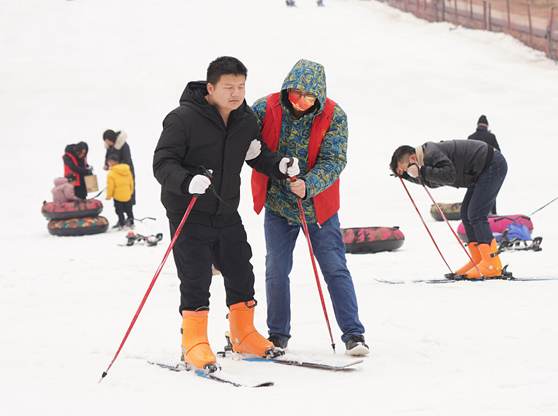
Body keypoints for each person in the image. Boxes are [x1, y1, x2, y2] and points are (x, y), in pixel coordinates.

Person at [153, 56, 298, 371]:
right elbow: (163, 162)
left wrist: (280, 166)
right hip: (189, 212)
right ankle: (193, 342)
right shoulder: (182, 119)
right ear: (210, 87)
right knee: (196, 277)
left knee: (241, 271)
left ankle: (243, 335)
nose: (236, 93)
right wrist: (187, 181)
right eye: (229, 87)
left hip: (226, 210)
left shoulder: (245, 119)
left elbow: (256, 154)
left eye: (241, 86)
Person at [250, 59, 369, 356]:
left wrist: (309, 184)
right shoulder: (265, 108)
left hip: (318, 208)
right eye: (296, 94)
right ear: (287, 88)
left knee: (334, 267)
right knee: (276, 269)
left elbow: (334, 160)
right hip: (278, 203)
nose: (301, 102)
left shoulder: (334, 116)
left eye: (309, 96)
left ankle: (353, 334)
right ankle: (277, 335)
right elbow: (245, 140)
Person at [390, 139, 508, 279]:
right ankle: (479, 260)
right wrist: (406, 176)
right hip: (481, 170)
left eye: (407, 169)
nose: (408, 172)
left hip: (492, 164)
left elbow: (449, 175)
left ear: (413, 158)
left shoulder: (431, 153)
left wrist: (421, 170)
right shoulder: (425, 159)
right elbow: (434, 181)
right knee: (466, 214)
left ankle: (491, 263)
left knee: (476, 214)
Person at [468, 115, 500, 214]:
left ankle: (473, 212)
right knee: (490, 192)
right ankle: (492, 213)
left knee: (474, 192)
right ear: (487, 126)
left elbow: (467, 155)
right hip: (488, 168)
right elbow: (498, 153)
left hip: (475, 171)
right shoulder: (491, 137)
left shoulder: (471, 137)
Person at [103, 129, 136, 205]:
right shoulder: (109, 147)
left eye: (108, 141)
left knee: (127, 189)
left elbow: (126, 159)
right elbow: (107, 157)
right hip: (115, 172)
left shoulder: (124, 145)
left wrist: (115, 167)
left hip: (126, 171)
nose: (107, 143)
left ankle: (129, 209)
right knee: (118, 190)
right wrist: (106, 165)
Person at [106, 154, 134, 230]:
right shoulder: (127, 170)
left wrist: (108, 196)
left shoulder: (111, 174)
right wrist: (131, 192)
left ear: (111, 163)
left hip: (118, 196)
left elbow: (110, 186)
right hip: (127, 194)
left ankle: (122, 225)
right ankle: (132, 223)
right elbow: (131, 182)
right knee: (129, 210)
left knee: (119, 211)